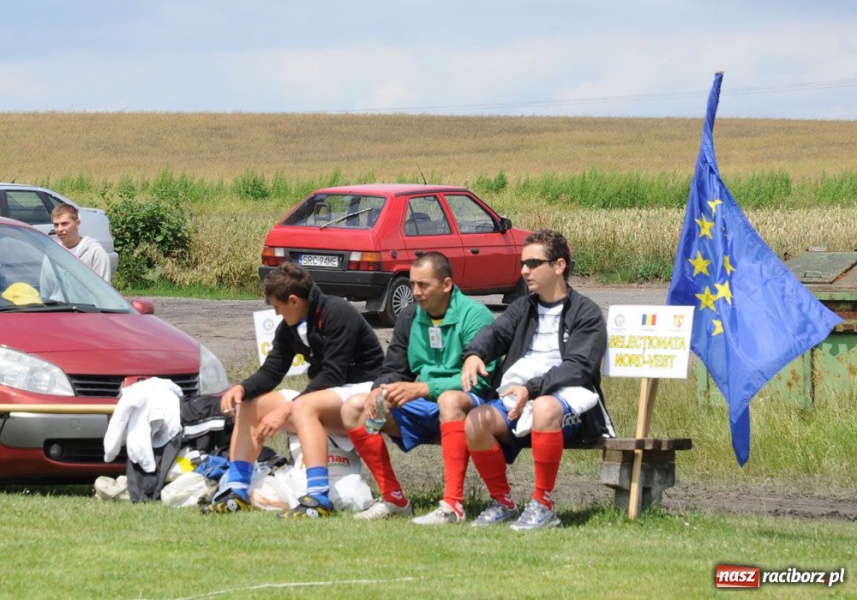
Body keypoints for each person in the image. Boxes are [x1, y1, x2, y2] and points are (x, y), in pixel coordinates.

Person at [458, 229, 615, 530]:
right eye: (523, 264)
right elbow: (495, 333)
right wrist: (475, 354)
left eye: (533, 263)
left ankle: (544, 504)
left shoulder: (586, 313)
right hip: (520, 398)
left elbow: (578, 368)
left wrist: (531, 389)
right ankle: (501, 501)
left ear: (559, 266)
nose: (524, 271)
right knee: (475, 421)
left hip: (569, 404)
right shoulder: (523, 308)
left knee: (544, 407)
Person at [202, 262, 385, 516]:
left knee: (302, 405)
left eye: (277, 307)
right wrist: (242, 389)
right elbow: (272, 370)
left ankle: (318, 499)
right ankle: (236, 489)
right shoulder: (290, 327)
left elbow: (333, 373)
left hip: (364, 392)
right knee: (252, 405)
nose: (276, 313)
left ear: (293, 301)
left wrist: (288, 409)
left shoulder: (337, 313)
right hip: (326, 395)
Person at [341, 252, 497, 524]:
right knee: (354, 407)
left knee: (449, 400)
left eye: (423, 285)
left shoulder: (476, 315)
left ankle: (453, 506)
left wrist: (424, 388)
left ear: (446, 285)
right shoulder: (410, 316)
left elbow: (480, 381)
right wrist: (380, 389)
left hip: (470, 408)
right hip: (425, 406)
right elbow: (395, 367)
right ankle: (393, 499)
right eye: (412, 284)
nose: (415, 292)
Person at [50, 204, 112, 283]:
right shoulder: (52, 253)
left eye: (64, 224)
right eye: (56, 225)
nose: (59, 229)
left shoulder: (95, 253)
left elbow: (103, 290)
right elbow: (46, 289)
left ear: (77, 223)